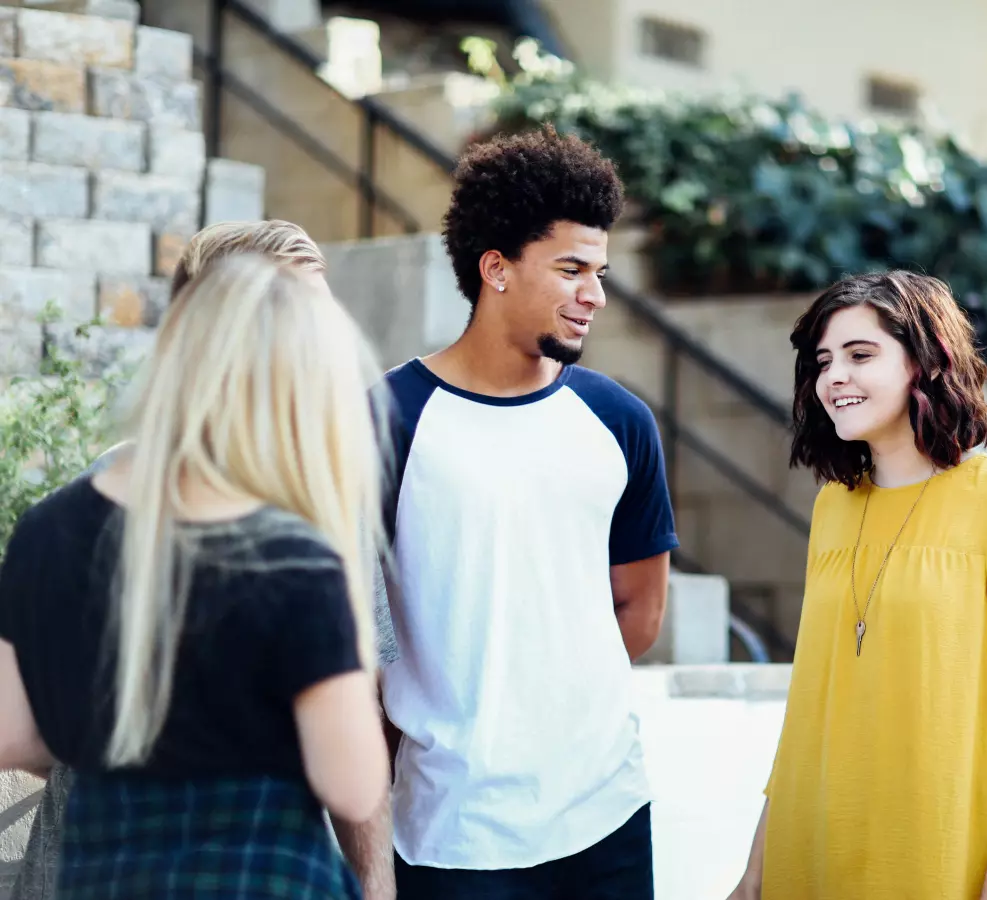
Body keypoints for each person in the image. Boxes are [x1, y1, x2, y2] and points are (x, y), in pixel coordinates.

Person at [8, 219, 400, 900]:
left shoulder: (59, 520)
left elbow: (16, 736)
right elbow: (355, 777)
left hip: (95, 873)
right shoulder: (311, 526)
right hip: (258, 876)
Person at [378, 125, 678, 899]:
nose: (595, 295)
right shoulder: (386, 418)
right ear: (496, 269)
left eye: (601, 272)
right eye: (572, 268)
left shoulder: (619, 422)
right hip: (451, 827)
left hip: (605, 810)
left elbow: (641, 610)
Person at [728, 271, 987, 900]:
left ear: (926, 364)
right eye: (824, 361)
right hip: (816, 851)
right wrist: (754, 874)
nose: (834, 377)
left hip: (942, 855)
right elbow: (809, 706)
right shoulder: (832, 506)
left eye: (861, 355)